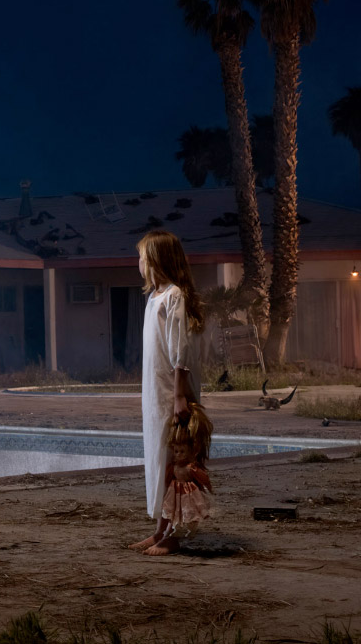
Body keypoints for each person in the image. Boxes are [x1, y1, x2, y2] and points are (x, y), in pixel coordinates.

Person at [128, 230, 205, 555]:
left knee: (176, 465)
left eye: (143, 258)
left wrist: (179, 397)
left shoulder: (175, 296)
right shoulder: (154, 298)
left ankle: (174, 533)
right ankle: (161, 529)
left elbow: (180, 352)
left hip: (171, 392)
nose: (140, 263)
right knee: (160, 461)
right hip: (155, 394)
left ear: (157, 261)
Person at [145, 402, 215, 556]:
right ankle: (161, 532)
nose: (178, 455)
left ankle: (171, 536)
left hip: (187, 493)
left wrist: (179, 396)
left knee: (183, 513)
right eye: (176, 451)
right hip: (174, 491)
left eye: (181, 451)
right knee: (173, 511)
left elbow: (202, 478)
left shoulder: (190, 467)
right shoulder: (174, 466)